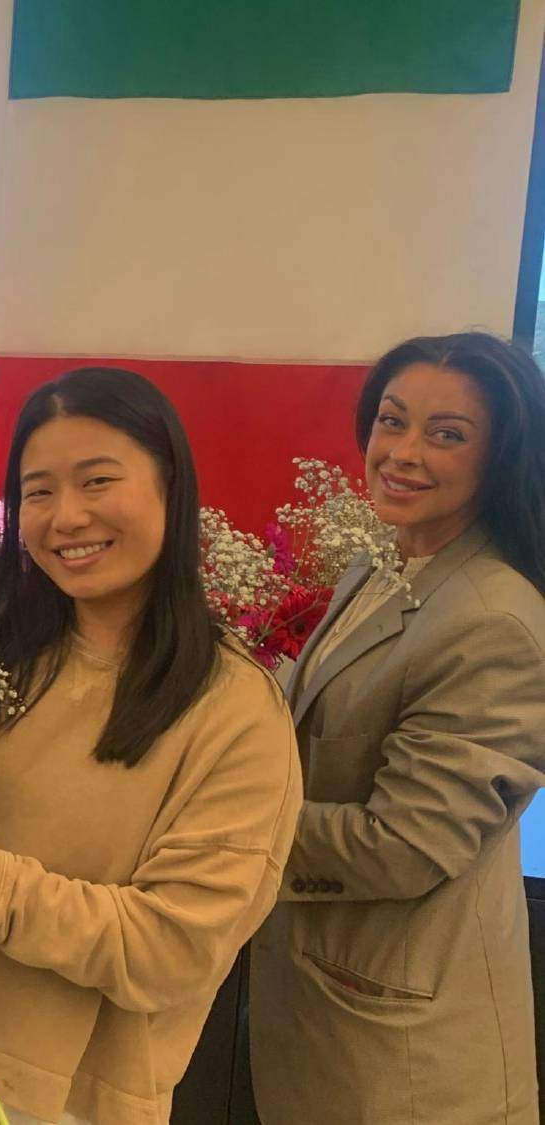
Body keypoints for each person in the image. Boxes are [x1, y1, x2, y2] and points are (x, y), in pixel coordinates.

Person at [0, 368, 301, 1124]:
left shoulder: (234, 709)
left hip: (59, 1090)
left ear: (171, 486)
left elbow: (173, 948)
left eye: (98, 480)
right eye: (39, 491)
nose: (66, 516)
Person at [249, 333, 545, 1124]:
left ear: (502, 456)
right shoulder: (384, 562)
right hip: (323, 1015)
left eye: (447, 434)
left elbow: (407, 843)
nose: (403, 452)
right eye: (391, 420)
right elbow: (298, 711)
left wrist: (228, 822)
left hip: (404, 1061)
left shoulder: (494, 621)